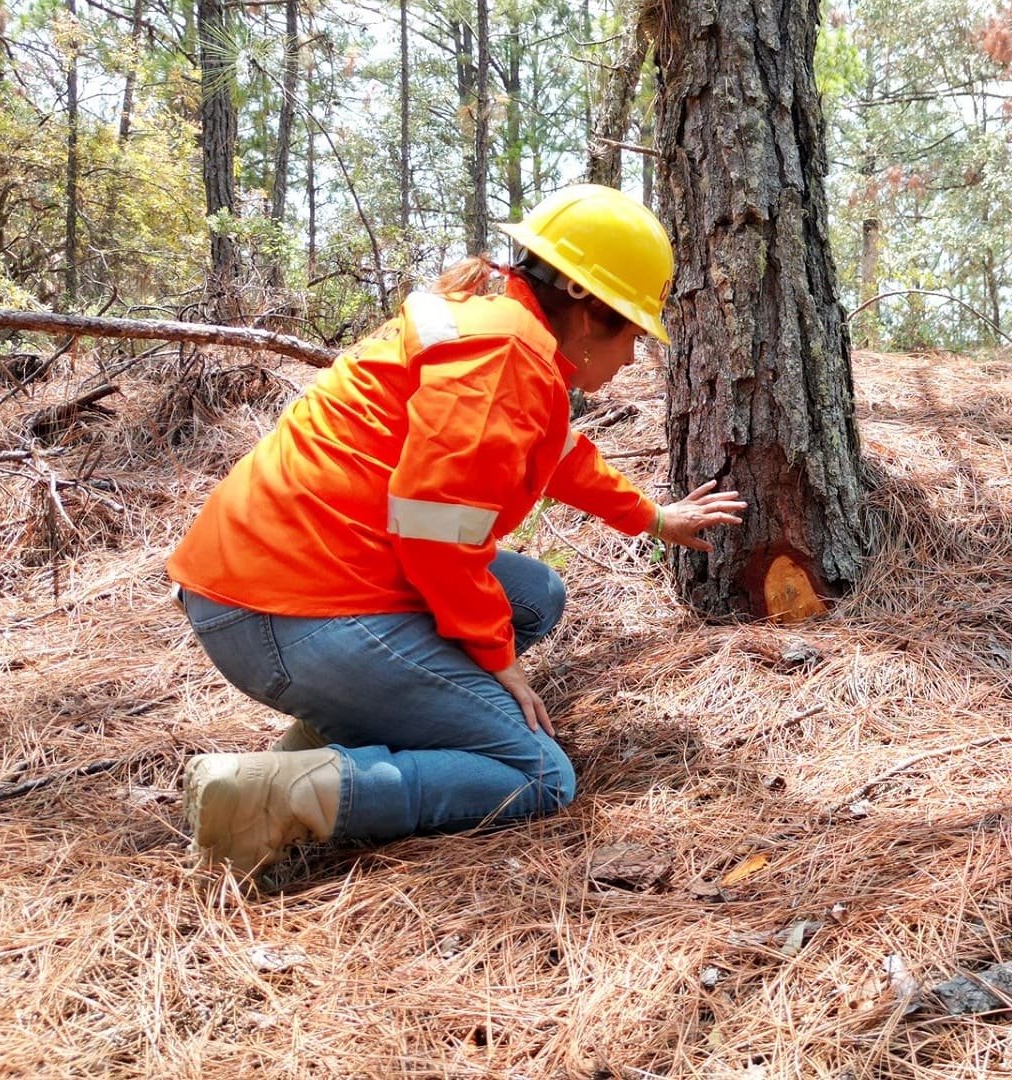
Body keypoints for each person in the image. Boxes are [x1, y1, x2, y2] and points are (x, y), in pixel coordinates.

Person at [167, 184, 745, 880]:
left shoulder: (495, 325)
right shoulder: (506, 357)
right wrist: (498, 659)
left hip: (265, 581)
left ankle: (321, 744)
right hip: (285, 613)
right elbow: (433, 532)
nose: (631, 359)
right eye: (631, 332)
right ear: (588, 311)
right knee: (537, 776)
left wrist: (651, 518)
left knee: (533, 596)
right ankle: (276, 796)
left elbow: (552, 451)